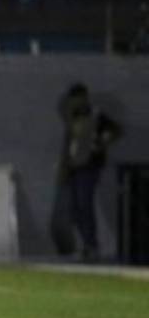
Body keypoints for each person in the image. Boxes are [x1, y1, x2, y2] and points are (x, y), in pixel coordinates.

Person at [53, 83, 123, 262]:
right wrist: (64, 168)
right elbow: (69, 146)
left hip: (88, 167)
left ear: (84, 98)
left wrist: (101, 142)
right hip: (74, 167)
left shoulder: (96, 115)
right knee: (75, 209)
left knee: (84, 205)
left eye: (76, 99)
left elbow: (115, 130)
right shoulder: (72, 117)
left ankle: (91, 246)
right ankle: (87, 244)